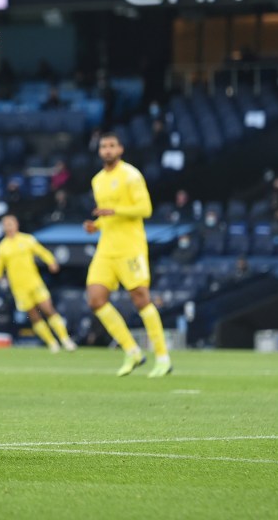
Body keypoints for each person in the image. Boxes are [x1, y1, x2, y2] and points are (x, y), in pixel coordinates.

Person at [83, 132, 172, 377]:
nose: (108, 150)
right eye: (104, 146)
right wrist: (96, 225)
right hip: (106, 248)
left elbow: (145, 208)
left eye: (112, 146)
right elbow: (105, 215)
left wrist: (114, 210)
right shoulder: (97, 180)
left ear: (120, 149)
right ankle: (132, 351)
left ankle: (163, 357)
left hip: (130, 247)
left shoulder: (131, 175)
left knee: (141, 298)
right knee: (95, 300)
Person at [0, 215, 75, 353]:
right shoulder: (1, 248)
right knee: (34, 316)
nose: (9, 227)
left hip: (34, 283)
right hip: (19, 288)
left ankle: (65, 339)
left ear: (16, 224)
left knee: (48, 309)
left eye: (11, 224)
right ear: (3, 227)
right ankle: (52, 343)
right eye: (6, 225)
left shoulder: (27, 239)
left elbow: (41, 251)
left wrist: (51, 261)